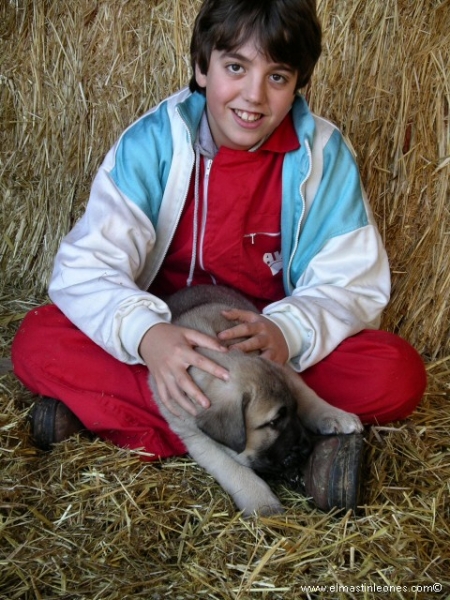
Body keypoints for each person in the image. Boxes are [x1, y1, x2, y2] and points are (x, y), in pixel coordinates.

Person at [12, 0, 426, 512]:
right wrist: (146, 337)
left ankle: (110, 419)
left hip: (271, 358)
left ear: (298, 84)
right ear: (201, 67)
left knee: (397, 372)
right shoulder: (153, 143)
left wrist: (288, 331)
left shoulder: (323, 154)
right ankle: (277, 444)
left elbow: (352, 280)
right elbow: (86, 267)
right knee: (39, 341)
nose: (253, 96)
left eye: (277, 76)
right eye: (235, 67)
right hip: (169, 343)